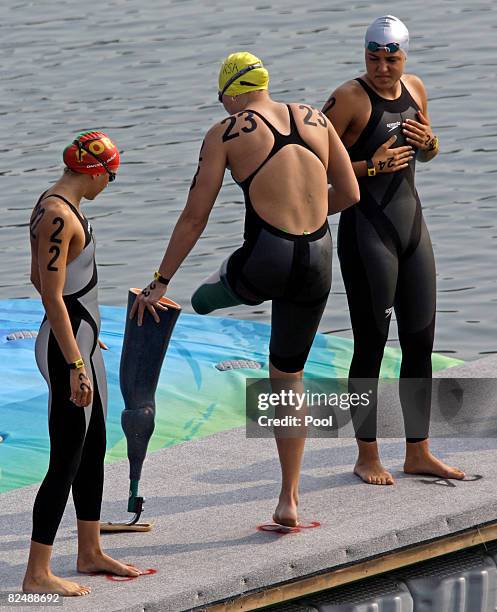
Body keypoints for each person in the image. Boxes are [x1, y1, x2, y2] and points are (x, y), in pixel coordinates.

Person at [131, 51, 359, 527]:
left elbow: (196, 216)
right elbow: (351, 193)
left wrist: (161, 280)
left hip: (263, 258)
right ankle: (289, 500)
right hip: (318, 257)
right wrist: (310, 216)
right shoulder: (316, 117)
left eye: (222, 99)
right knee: (286, 377)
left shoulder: (224, 133)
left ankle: (216, 293)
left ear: (232, 93)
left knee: (204, 298)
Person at [323, 16, 465, 485]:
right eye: (374, 58)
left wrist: (432, 145)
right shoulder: (348, 99)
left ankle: (418, 451)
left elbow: (425, 153)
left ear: (405, 56)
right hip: (367, 234)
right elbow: (313, 170)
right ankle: (367, 455)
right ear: (364, 55)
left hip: (412, 231)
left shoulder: (416, 88)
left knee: (420, 340)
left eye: (391, 58)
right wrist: (369, 166)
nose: (382, 68)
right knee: (371, 343)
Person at [23, 131, 142, 596]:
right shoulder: (56, 215)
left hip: (80, 341)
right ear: (94, 170)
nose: (109, 184)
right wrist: (74, 359)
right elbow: (51, 293)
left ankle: (89, 552)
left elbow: (38, 274)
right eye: (109, 176)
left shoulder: (60, 204)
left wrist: (86, 339)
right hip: (65, 348)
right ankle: (35, 574)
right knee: (66, 459)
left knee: (94, 447)